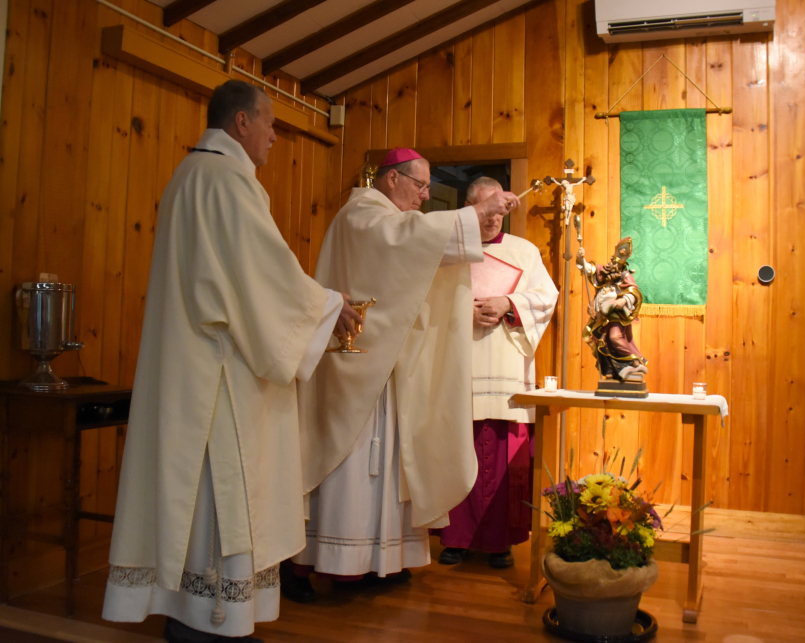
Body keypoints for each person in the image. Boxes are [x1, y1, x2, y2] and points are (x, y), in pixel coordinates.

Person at [102, 80, 361, 643]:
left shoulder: (189, 176)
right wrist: (330, 305)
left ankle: (191, 611)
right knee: (224, 495)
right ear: (241, 122)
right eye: (269, 122)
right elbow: (263, 275)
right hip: (219, 374)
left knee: (194, 503)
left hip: (193, 367)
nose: (273, 135)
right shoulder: (224, 181)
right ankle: (213, 619)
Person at [284, 149, 521, 601]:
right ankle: (332, 560)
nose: (425, 195)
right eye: (420, 185)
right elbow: (407, 240)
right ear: (392, 179)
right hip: (353, 368)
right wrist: (473, 214)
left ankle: (380, 561)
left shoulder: (383, 219)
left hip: (385, 364)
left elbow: (415, 255)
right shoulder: (362, 215)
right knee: (348, 463)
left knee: (389, 463)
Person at [435, 177, 558, 569]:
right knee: (458, 451)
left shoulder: (524, 251)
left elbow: (545, 297)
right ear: (469, 208)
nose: (493, 219)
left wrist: (508, 301)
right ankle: (455, 538)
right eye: (485, 210)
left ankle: (499, 541)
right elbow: (425, 299)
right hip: (460, 365)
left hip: (505, 365)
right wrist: (460, 309)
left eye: (499, 210)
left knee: (505, 456)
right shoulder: (448, 250)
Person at [576, 238, 648, 381]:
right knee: (601, 341)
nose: (614, 266)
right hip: (601, 316)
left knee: (614, 337)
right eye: (613, 262)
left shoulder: (625, 276)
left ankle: (633, 361)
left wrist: (622, 300)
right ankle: (610, 369)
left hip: (616, 315)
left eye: (618, 264)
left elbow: (634, 292)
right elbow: (587, 268)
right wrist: (580, 258)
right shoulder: (604, 271)